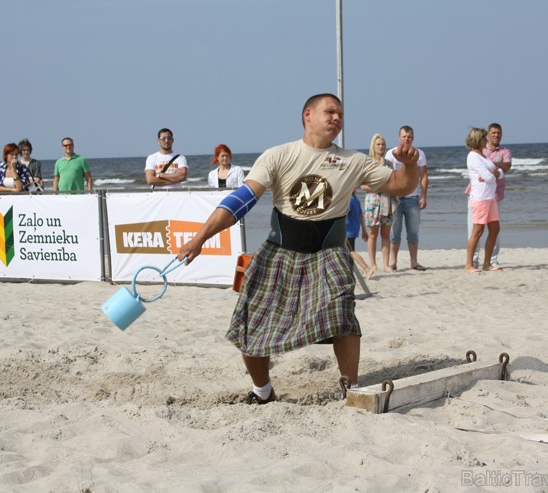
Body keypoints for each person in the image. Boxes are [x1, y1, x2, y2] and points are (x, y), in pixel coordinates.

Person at [177, 93, 420, 404]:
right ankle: (263, 391)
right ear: (308, 115)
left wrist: (410, 166)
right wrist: (200, 238)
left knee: (344, 317)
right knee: (251, 327)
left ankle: (353, 389)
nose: (337, 118)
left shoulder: (354, 160)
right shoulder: (279, 155)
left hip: (329, 253)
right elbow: (241, 201)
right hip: (280, 252)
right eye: (330, 111)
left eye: (341, 114)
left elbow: (401, 185)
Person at [466, 123, 512, 269]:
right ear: (479, 140)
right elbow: (490, 177)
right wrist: (494, 173)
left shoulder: (484, 156)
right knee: (477, 231)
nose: (487, 139)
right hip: (480, 198)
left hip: (491, 198)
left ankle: (488, 263)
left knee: (495, 229)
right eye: (485, 137)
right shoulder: (474, 156)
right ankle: (470, 264)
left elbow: (502, 171)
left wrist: (495, 173)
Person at [385, 126, 428, 271]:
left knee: (413, 232)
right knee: (394, 232)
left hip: (413, 198)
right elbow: (387, 175)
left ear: (413, 138)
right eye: (404, 136)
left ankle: (414, 262)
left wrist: (424, 196)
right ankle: (393, 262)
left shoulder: (419, 154)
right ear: (399, 137)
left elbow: (424, 176)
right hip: (395, 198)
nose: (406, 139)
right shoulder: (391, 154)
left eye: (409, 137)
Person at [361, 133, 396, 273]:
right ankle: (373, 264)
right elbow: (363, 186)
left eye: (383, 144)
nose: (381, 147)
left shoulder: (389, 164)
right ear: (373, 147)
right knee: (373, 234)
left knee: (386, 234)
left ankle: (386, 265)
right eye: (378, 144)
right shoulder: (368, 163)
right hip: (373, 201)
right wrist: (380, 186)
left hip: (387, 201)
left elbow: (394, 182)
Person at [346, 189, 375, 281]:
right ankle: (349, 272)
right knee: (347, 252)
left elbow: (344, 214)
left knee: (351, 252)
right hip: (354, 229)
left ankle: (367, 269)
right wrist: (364, 230)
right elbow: (361, 216)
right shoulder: (356, 200)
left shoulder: (348, 200)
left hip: (348, 230)